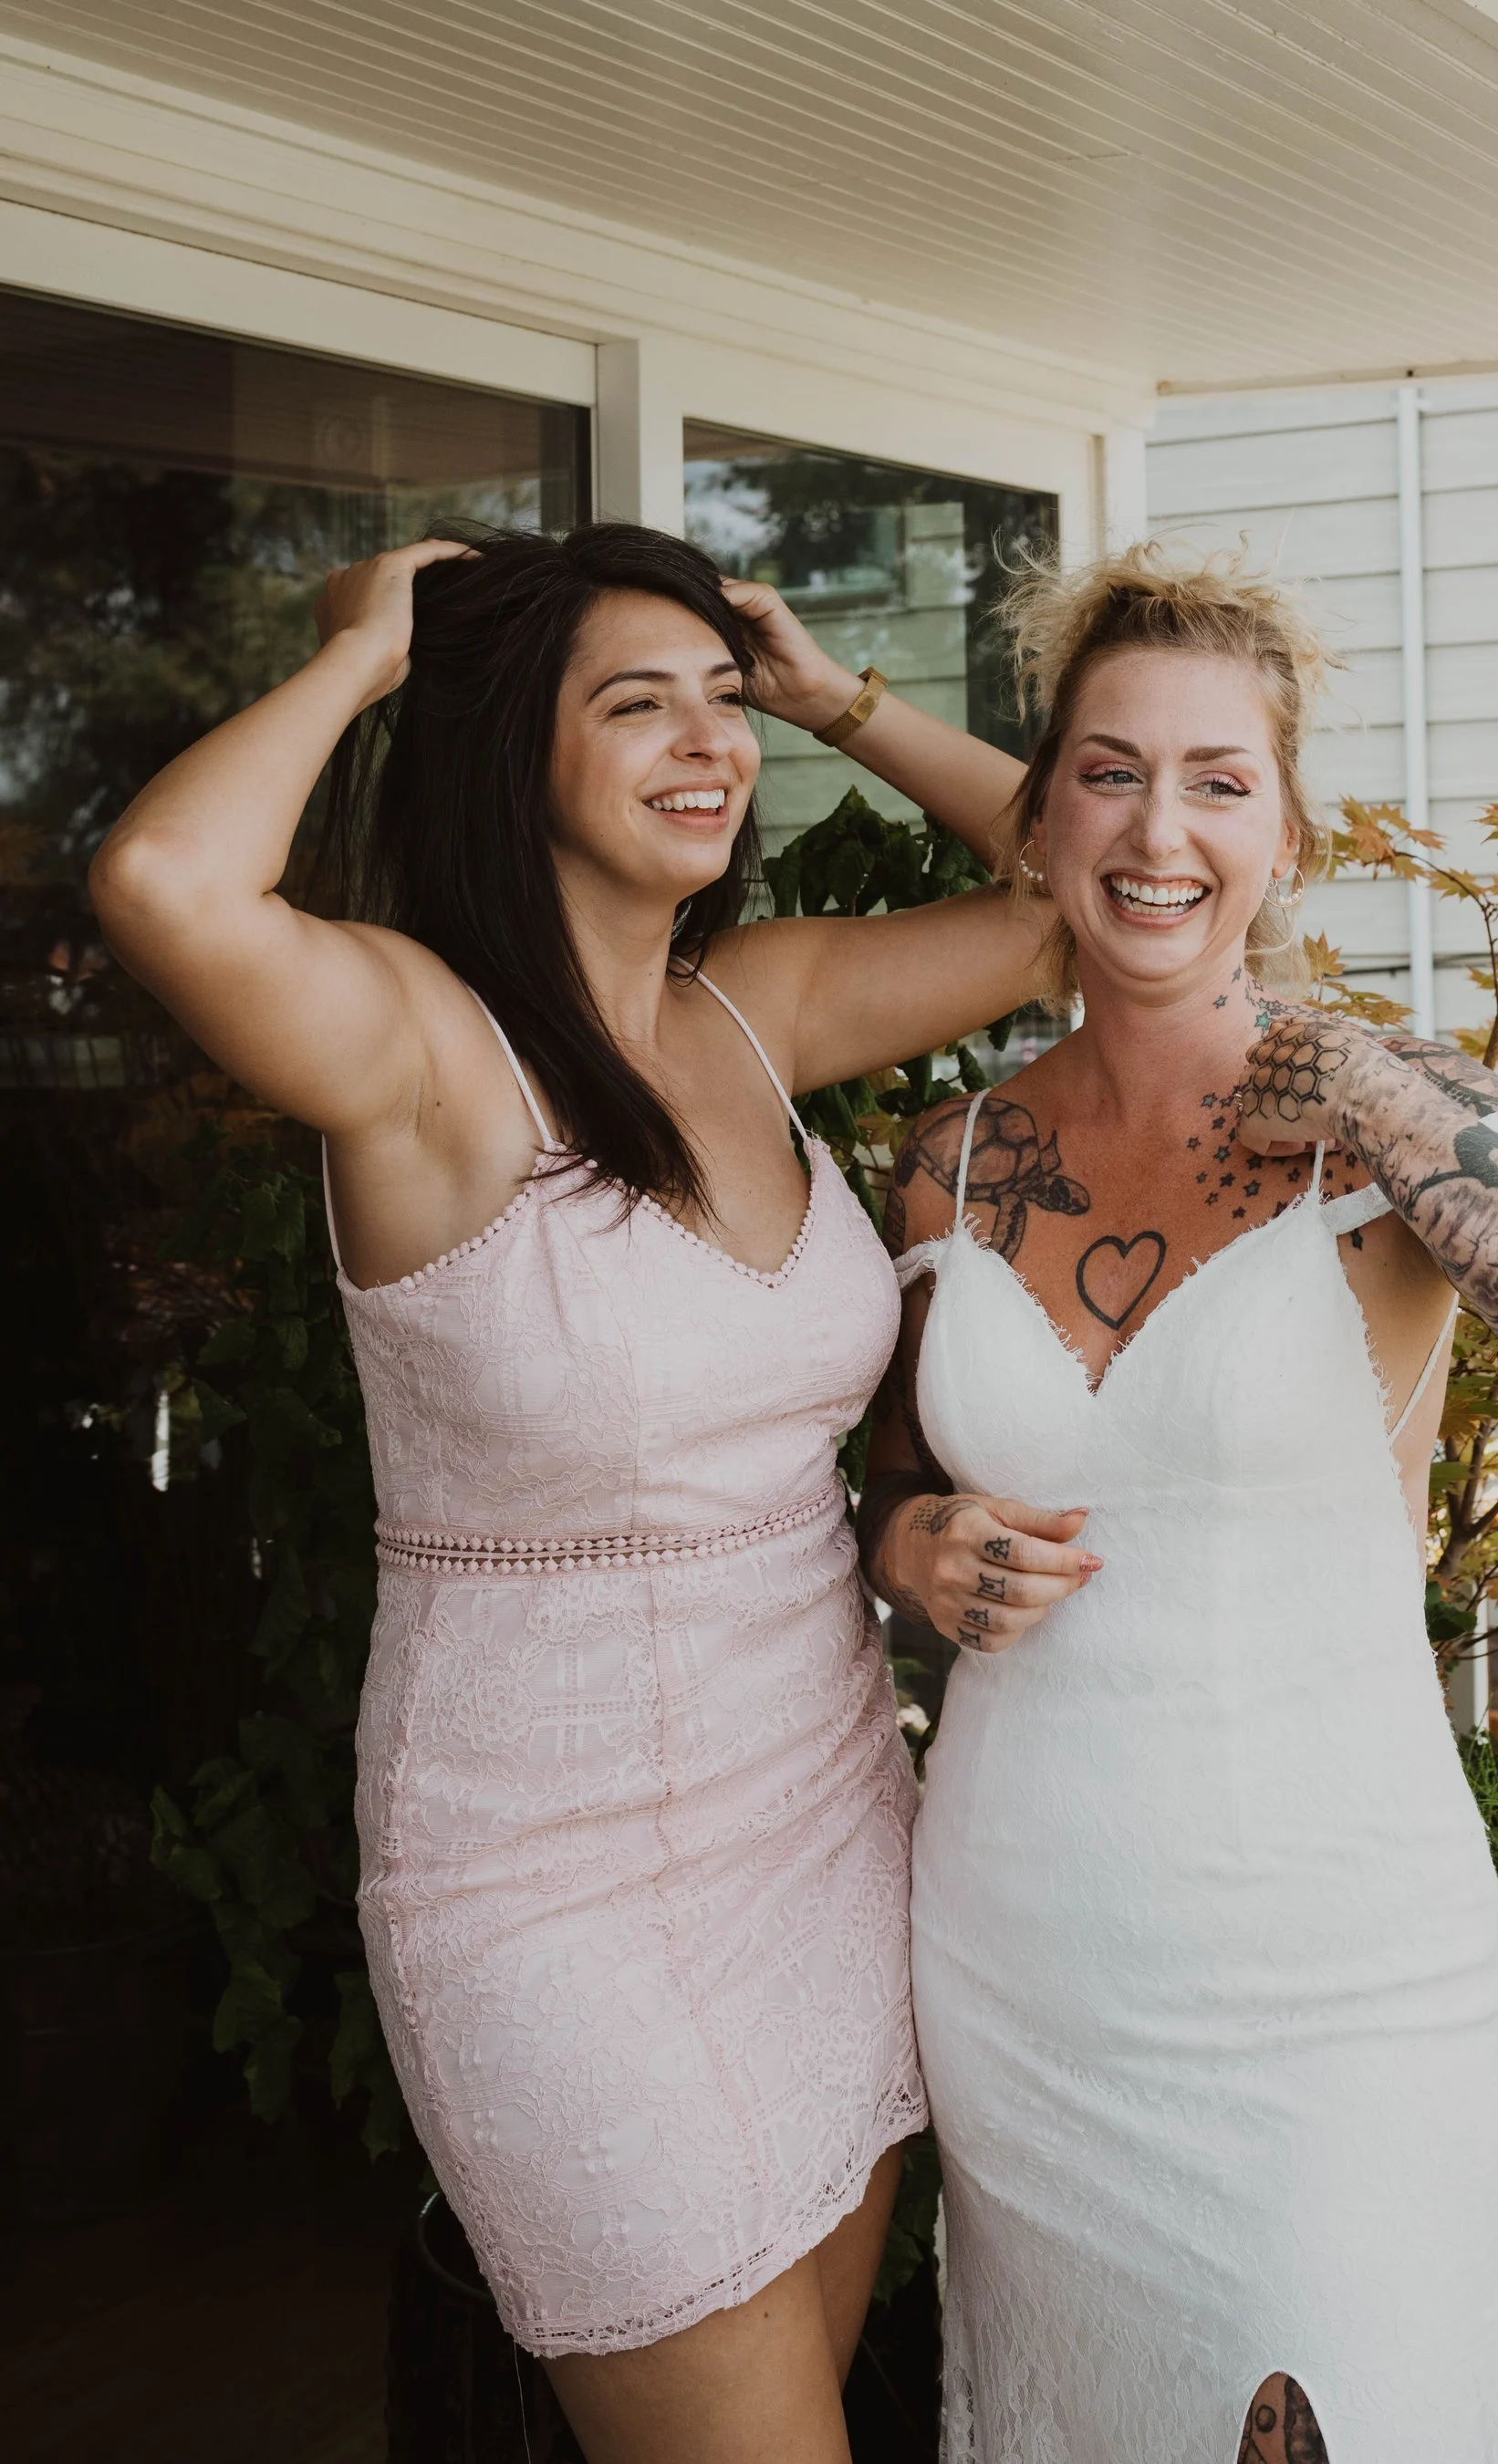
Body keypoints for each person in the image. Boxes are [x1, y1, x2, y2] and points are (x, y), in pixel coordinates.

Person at [89, 523, 1053, 2464]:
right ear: (503, 751)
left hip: (822, 1818)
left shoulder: (756, 1009)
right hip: (536, 1885)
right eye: (638, 707)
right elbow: (163, 877)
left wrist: (830, 690)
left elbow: (1079, 894)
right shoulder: (414, 1043)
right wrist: (370, 653)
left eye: (724, 707)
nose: (708, 747)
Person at [857, 546, 1498, 2463]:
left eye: (1214, 779)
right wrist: (904, 1549)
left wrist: (1401, 1112)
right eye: (1104, 769)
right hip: (1024, 1939)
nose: (1154, 827)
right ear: (1041, 815)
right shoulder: (948, 1158)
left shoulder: (1389, 1122)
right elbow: (895, 1481)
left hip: (1330, 1963)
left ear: (1287, 829)